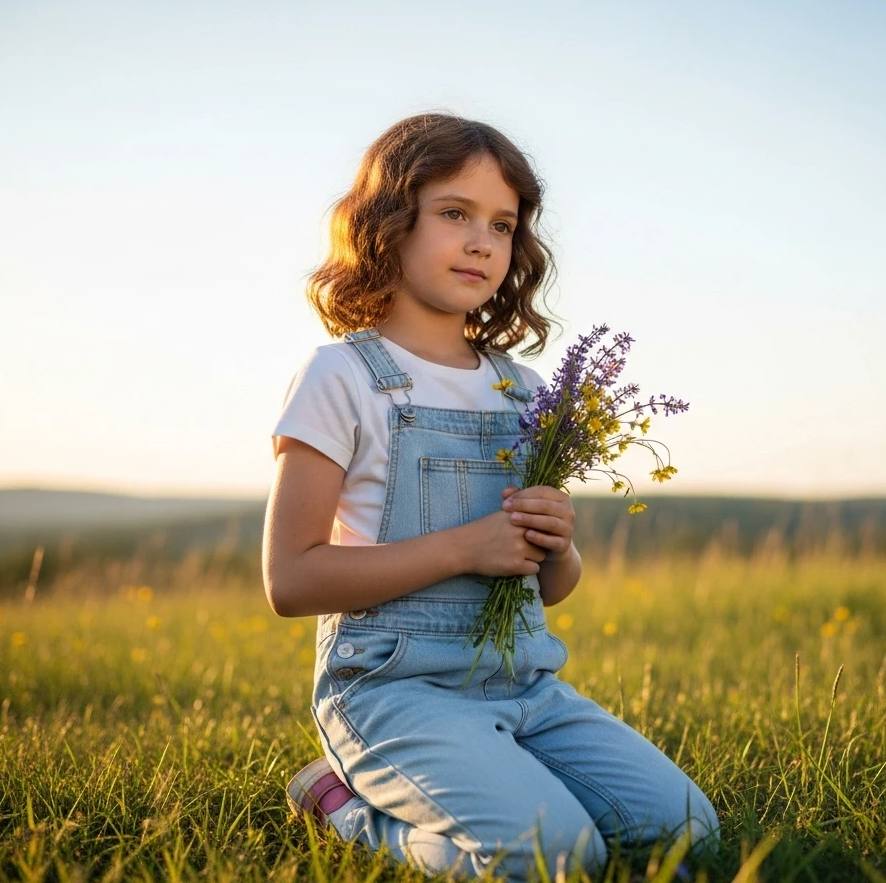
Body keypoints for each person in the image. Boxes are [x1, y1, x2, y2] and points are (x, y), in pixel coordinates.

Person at [263, 112, 720, 881]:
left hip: (525, 685)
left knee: (685, 834)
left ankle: (498, 782)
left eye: (503, 226)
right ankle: (347, 812)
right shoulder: (339, 377)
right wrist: (462, 549)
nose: (482, 242)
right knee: (555, 855)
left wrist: (558, 543)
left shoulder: (526, 391)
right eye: (454, 214)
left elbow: (554, 588)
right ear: (387, 223)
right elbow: (292, 580)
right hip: (394, 691)